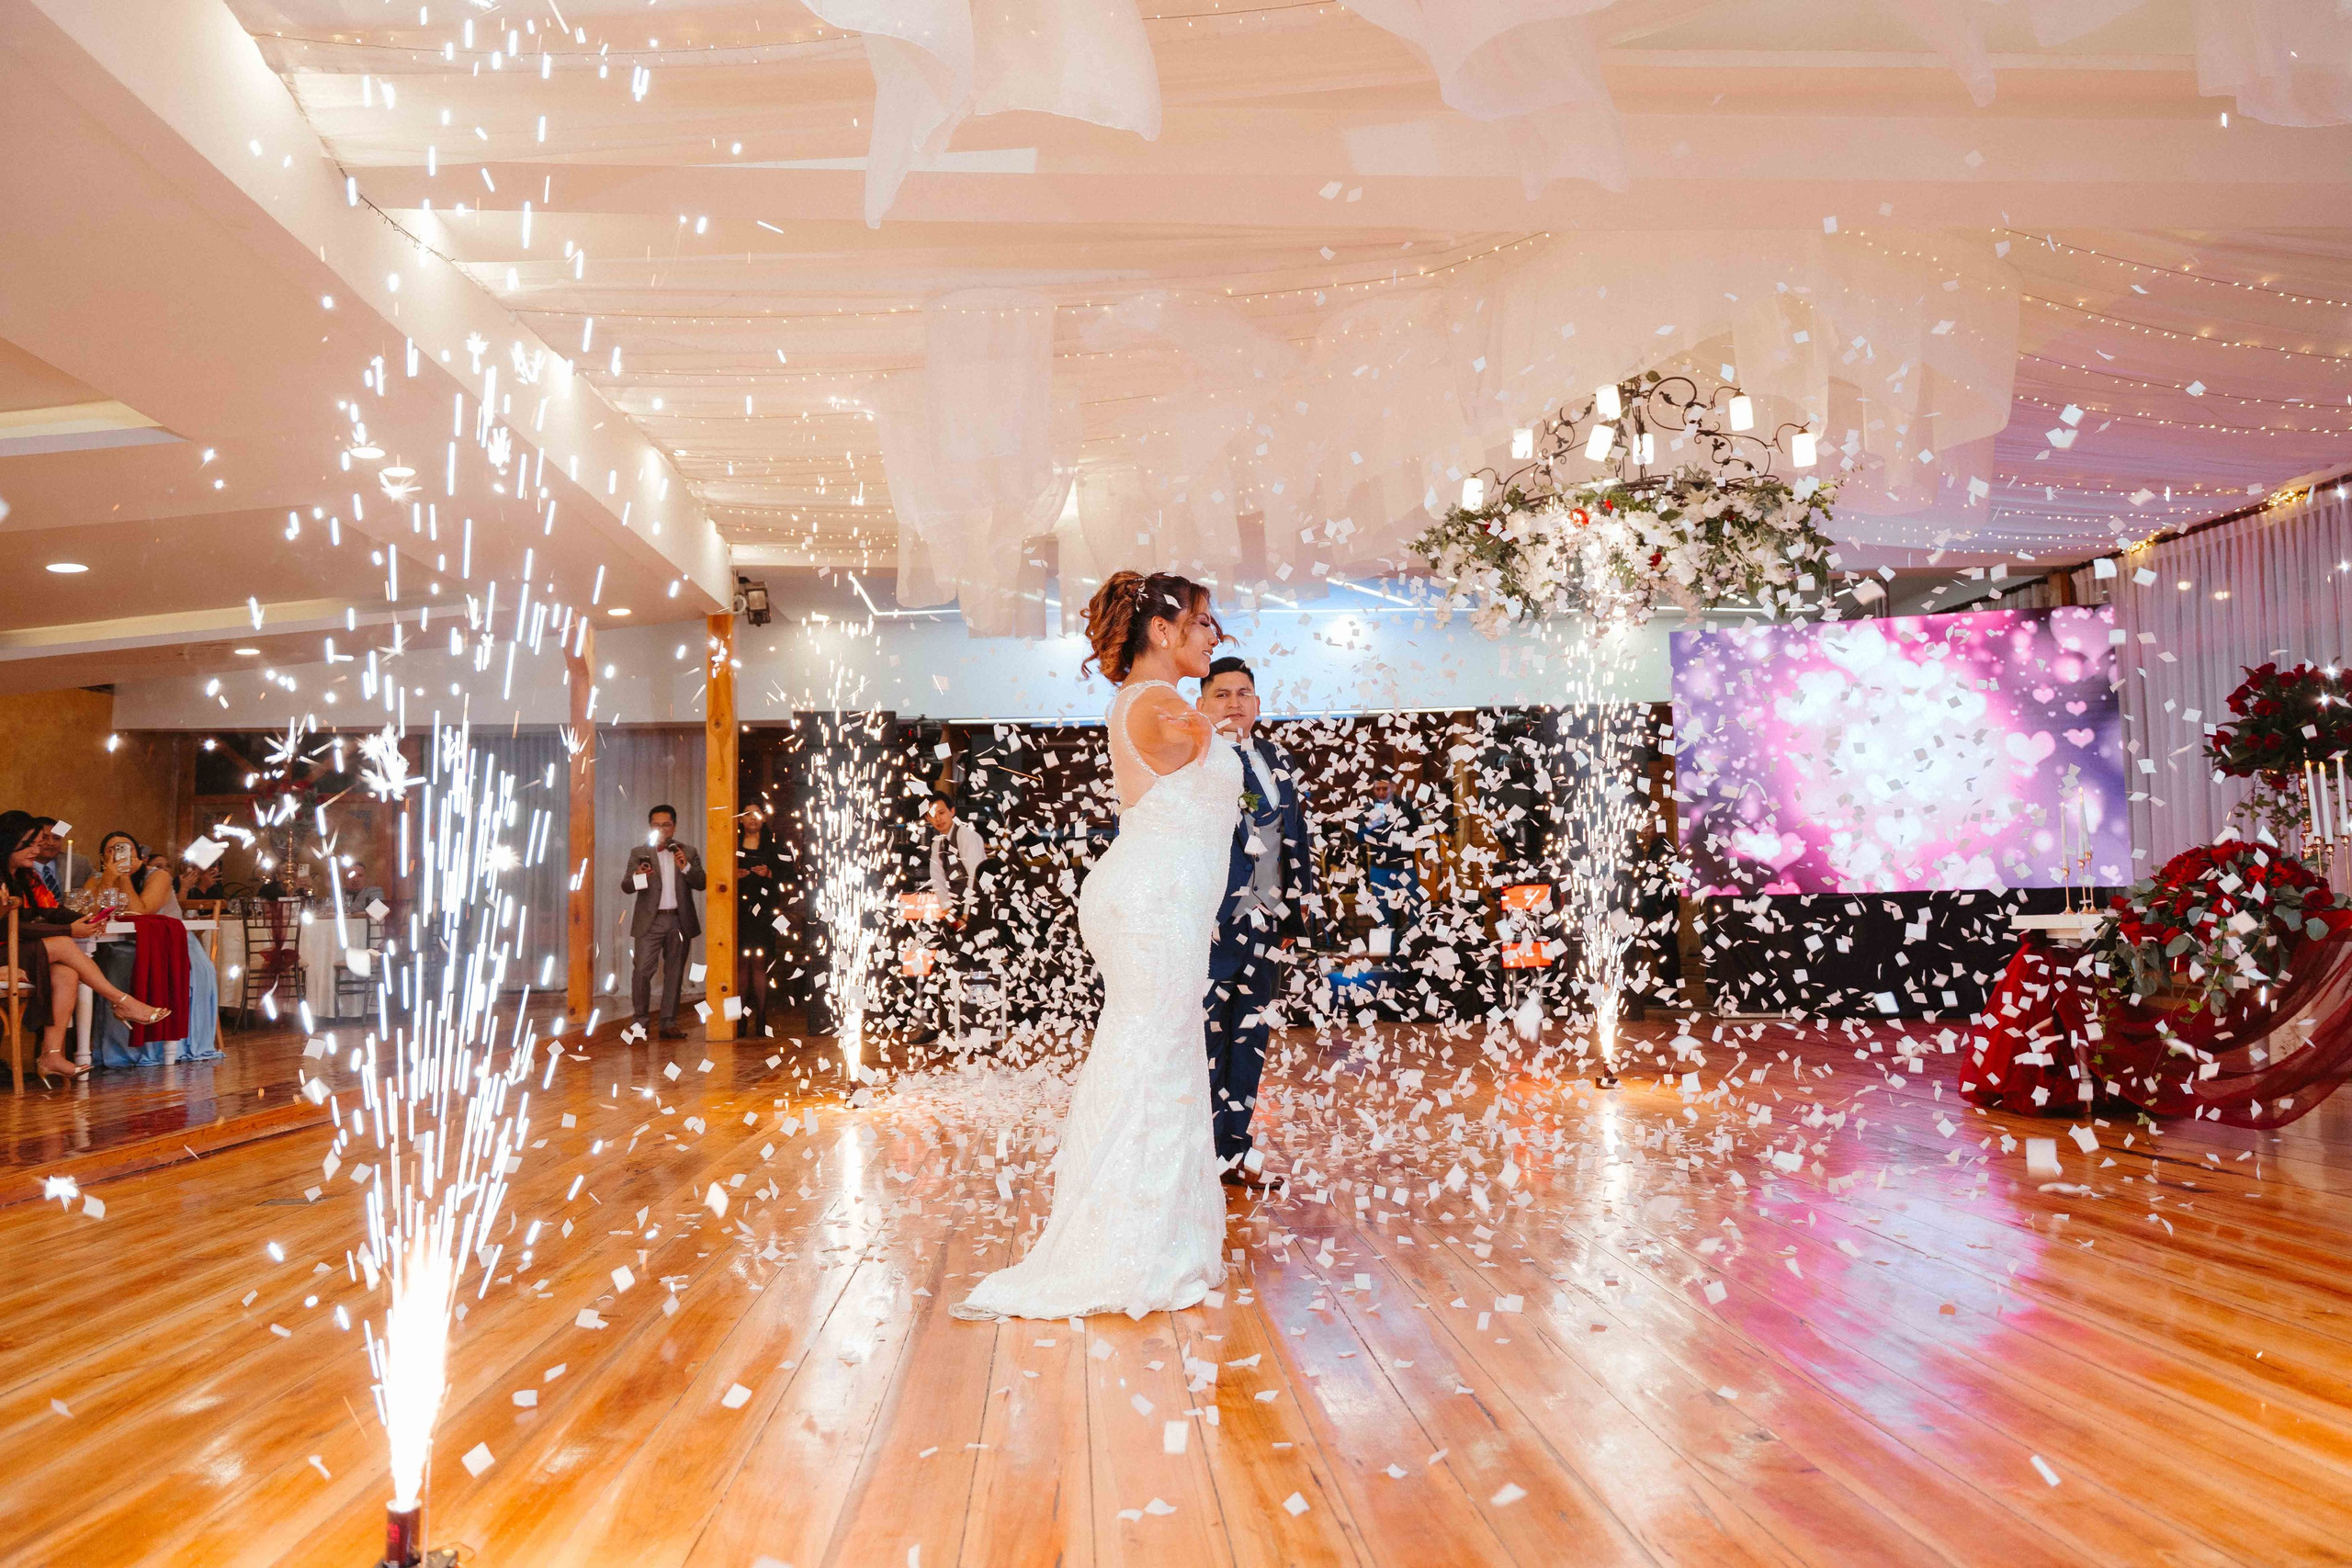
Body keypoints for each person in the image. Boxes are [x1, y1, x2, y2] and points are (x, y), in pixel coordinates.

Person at [953, 570, 1238, 1322]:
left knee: (1162, 1051)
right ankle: (1127, 1245)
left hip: (1164, 899)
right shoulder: (1155, 703)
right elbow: (1184, 751)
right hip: (1149, 900)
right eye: (1204, 622)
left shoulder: (1165, 702)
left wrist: (1211, 723)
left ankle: (1155, 1234)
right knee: (1152, 1051)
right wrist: (1214, 726)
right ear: (1163, 631)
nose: (1216, 636)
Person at [1195, 656, 1319, 1184]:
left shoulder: (1277, 758)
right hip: (1211, 923)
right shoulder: (1192, 761)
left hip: (1268, 922)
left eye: (1243, 693)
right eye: (1222, 694)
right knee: (1205, 1039)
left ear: (1258, 704)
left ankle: (1236, 1152)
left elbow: (1297, 838)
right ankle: (1198, 1157)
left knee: (1251, 1039)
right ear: (1202, 704)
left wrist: (1299, 903)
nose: (1234, 703)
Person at [0, 811, 169, 1086]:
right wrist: (70, 930)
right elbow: (10, 925)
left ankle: (51, 1054)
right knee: (65, 944)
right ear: (9, 843)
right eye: (29, 843)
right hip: (4, 948)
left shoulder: (26, 876)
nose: (37, 849)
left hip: (19, 950)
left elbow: (51, 911)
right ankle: (122, 1002)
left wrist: (82, 920)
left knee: (67, 973)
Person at [905, 794, 986, 1046]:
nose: (937, 819)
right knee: (929, 959)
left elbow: (977, 877)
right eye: (931, 815)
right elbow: (938, 883)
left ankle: (975, 1031)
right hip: (952, 913)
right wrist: (950, 915)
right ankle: (936, 1025)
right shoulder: (937, 843)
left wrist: (965, 916)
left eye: (941, 812)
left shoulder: (968, 836)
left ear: (951, 810)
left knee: (970, 968)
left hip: (976, 910)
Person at [622, 803, 705, 1041]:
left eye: (666, 824)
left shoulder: (687, 851)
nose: (661, 829)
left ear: (674, 827)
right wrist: (638, 877)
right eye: (656, 825)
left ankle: (669, 1022)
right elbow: (626, 886)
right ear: (650, 826)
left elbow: (702, 882)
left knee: (675, 972)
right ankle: (640, 1022)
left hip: (679, 919)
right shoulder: (639, 852)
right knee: (641, 971)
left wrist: (686, 866)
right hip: (650, 920)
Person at [735, 806, 790, 1033]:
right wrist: (733, 875)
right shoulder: (731, 845)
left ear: (764, 818)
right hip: (738, 910)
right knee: (739, 964)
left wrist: (768, 873)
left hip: (764, 910)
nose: (753, 818)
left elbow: (789, 876)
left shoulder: (774, 847)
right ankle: (738, 1018)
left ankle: (761, 1015)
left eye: (757, 813)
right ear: (740, 820)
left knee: (759, 962)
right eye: (747, 813)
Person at [1355, 773, 1426, 938]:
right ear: (1373, 790)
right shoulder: (1368, 809)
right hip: (1380, 869)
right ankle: (1387, 957)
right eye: (1377, 789)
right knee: (1383, 912)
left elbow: (1421, 831)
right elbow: (1358, 837)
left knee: (1414, 907)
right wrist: (1371, 825)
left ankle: (1415, 950)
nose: (1381, 792)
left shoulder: (1407, 805)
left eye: (1385, 788)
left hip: (1405, 866)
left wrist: (1425, 856)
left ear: (1393, 787)